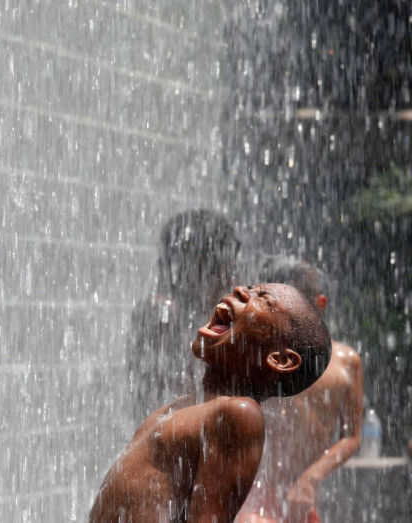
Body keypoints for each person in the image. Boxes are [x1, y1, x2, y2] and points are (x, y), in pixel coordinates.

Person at [91, 284, 331, 523]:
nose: (240, 290)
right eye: (250, 287)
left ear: (279, 359)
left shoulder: (240, 413)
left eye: (264, 298)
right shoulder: (191, 404)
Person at [237, 258, 363, 523]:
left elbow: (351, 436)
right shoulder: (253, 355)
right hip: (253, 493)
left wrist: (312, 477)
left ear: (320, 305)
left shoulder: (346, 362)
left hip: (301, 496)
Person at [127, 209, 240, 424]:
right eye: (228, 267)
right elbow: (170, 396)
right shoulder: (162, 314)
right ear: (202, 266)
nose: (231, 278)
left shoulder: (188, 312)